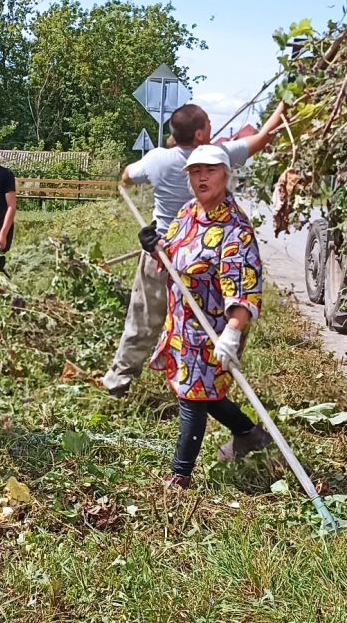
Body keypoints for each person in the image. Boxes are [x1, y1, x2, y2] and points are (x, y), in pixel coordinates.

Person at [100, 101, 287, 396]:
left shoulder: (157, 158)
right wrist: (285, 104)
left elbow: (126, 176)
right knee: (202, 325)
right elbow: (264, 137)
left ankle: (120, 380)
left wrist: (164, 153)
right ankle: (206, 385)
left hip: (160, 253)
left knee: (144, 319)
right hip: (201, 261)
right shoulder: (221, 156)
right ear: (200, 134)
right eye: (208, 125)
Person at [144, 143, 273, 489]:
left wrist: (233, 331)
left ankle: (179, 477)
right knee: (205, 393)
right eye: (195, 171)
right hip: (183, 324)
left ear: (226, 175)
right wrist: (155, 246)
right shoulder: (188, 213)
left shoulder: (235, 229)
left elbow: (244, 286)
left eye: (210, 171)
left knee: (193, 397)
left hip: (213, 330)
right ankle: (248, 433)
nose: (202, 177)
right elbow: (171, 259)